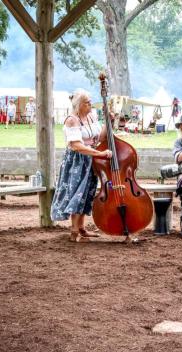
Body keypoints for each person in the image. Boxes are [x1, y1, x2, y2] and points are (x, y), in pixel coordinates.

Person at [50, 89, 113, 242]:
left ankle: (82, 228)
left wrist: (107, 122)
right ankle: (74, 230)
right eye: (87, 102)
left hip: (91, 158)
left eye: (90, 101)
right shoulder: (72, 120)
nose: (91, 104)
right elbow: (76, 145)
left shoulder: (91, 116)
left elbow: (99, 138)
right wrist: (99, 154)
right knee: (77, 192)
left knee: (88, 192)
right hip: (77, 161)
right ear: (78, 105)